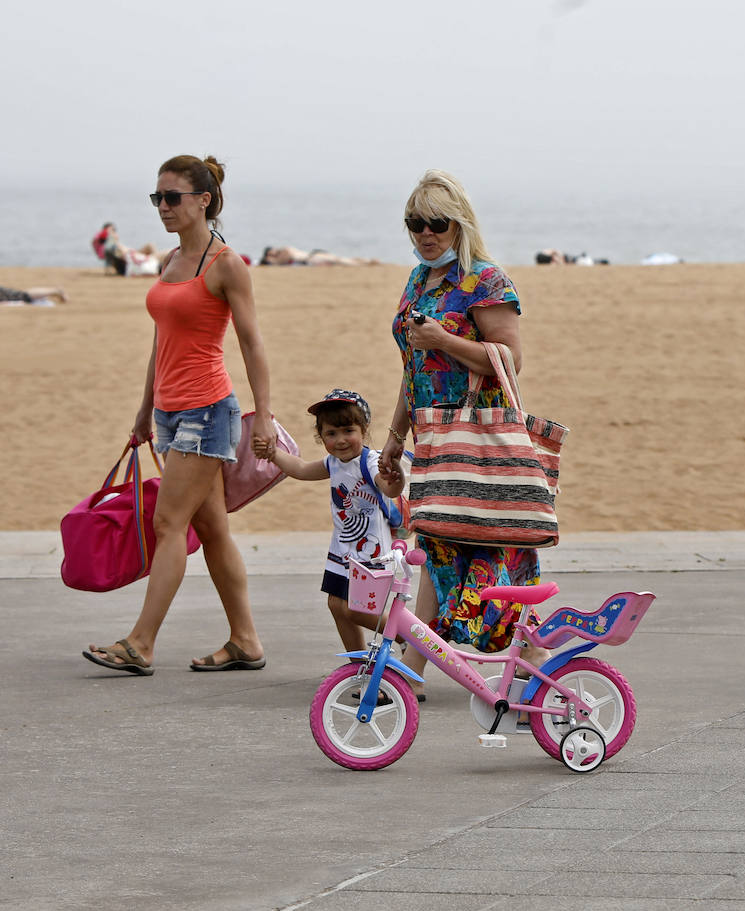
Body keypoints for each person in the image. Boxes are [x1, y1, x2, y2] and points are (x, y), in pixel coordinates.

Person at [83, 154, 275, 676]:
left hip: (208, 410)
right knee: (212, 529)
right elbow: (160, 341)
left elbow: (252, 343)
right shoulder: (170, 260)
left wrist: (267, 417)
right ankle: (246, 641)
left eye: (172, 197)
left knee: (168, 522)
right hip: (169, 412)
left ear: (204, 200)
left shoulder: (226, 265)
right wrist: (145, 409)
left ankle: (140, 644)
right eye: (157, 198)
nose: (163, 207)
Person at [377, 170, 547, 699]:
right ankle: (416, 670)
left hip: (476, 439)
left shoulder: (485, 280)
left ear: (459, 224)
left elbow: (511, 361)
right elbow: (414, 368)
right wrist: (393, 438)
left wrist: (445, 340)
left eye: (437, 224)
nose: (425, 234)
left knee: (481, 546)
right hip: (432, 438)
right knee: (437, 541)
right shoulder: (417, 280)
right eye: (414, 224)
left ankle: (533, 658)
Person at [252, 389, 404, 653]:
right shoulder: (332, 463)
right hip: (342, 549)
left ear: (363, 429)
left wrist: (395, 478)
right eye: (331, 434)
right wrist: (273, 454)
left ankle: (406, 639)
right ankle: (357, 666)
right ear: (321, 436)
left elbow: (389, 490)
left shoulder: (370, 462)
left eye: (348, 431)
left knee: (355, 610)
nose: (341, 440)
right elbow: (300, 469)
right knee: (336, 606)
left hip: (372, 550)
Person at [259, 245, 378, 267]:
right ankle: (366, 261)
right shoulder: (285, 250)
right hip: (312, 255)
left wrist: (270, 260)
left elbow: (280, 262)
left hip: (311, 258)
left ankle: (364, 262)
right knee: (339, 259)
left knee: (339, 260)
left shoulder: (284, 251)